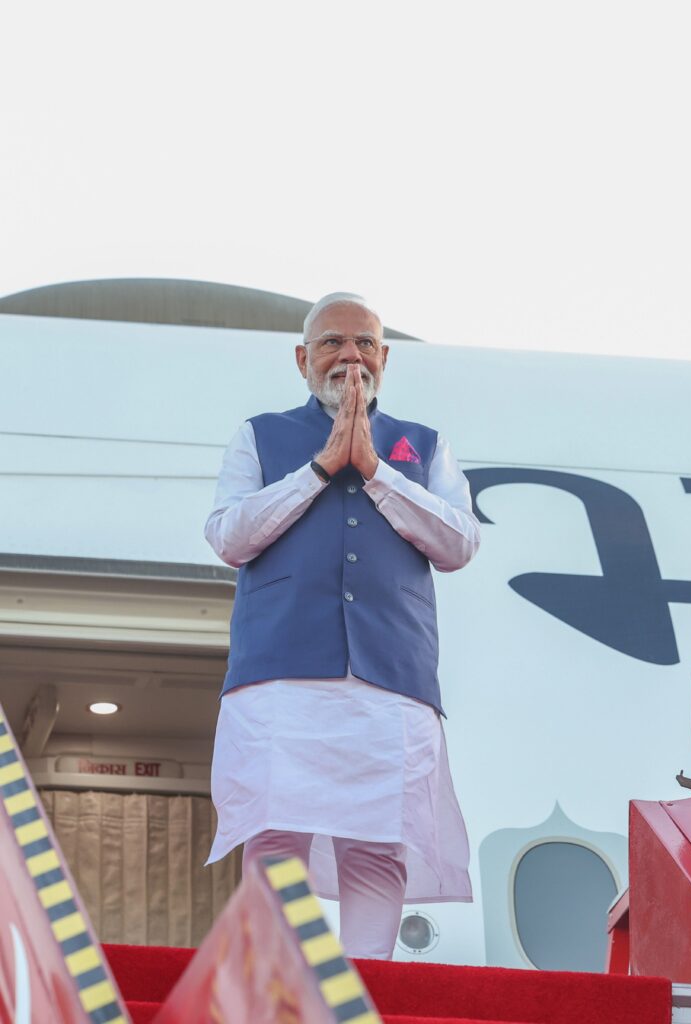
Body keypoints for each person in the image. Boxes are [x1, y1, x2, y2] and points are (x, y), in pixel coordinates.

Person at [204, 292, 481, 960]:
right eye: (331, 343)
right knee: (275, 841)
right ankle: (275, 992)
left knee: (378, 849)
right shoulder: (260, 435)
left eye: (363, 343)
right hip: (281, 677)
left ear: (383, 358)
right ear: (303, 358)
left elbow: (459, 544)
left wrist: (376, 471)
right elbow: (227, 534)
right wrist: (323, 466)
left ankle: (363, 994)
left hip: (392, 681)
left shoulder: (426, 446)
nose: (349, 356)